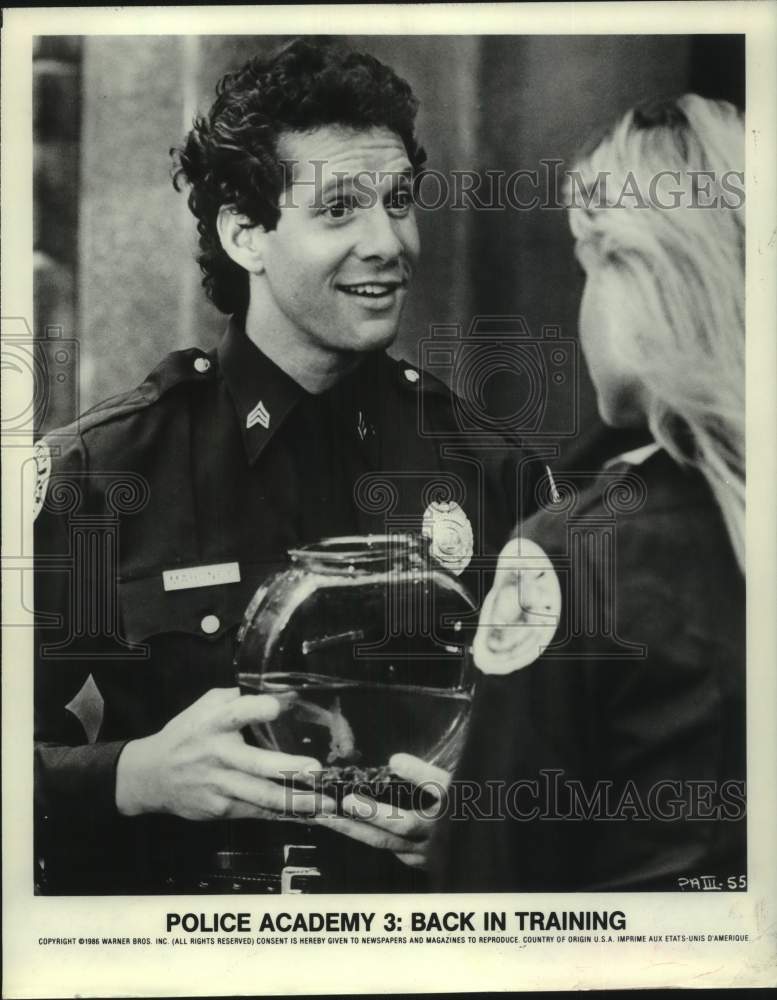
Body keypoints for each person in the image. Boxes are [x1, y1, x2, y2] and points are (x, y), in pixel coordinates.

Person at [33, 37, 533, 894]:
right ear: (245, 234)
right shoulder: (100, 474)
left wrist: (480, 821)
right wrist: (134, 775)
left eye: (398, 202)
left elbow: (578, 766)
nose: (388, 242)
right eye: (339, 209)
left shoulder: (492, 472)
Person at [437, 95, 746, 891]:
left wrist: (459, 833)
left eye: (586, 268)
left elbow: (487, 902)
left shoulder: (568, 553)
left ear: (639, 276)